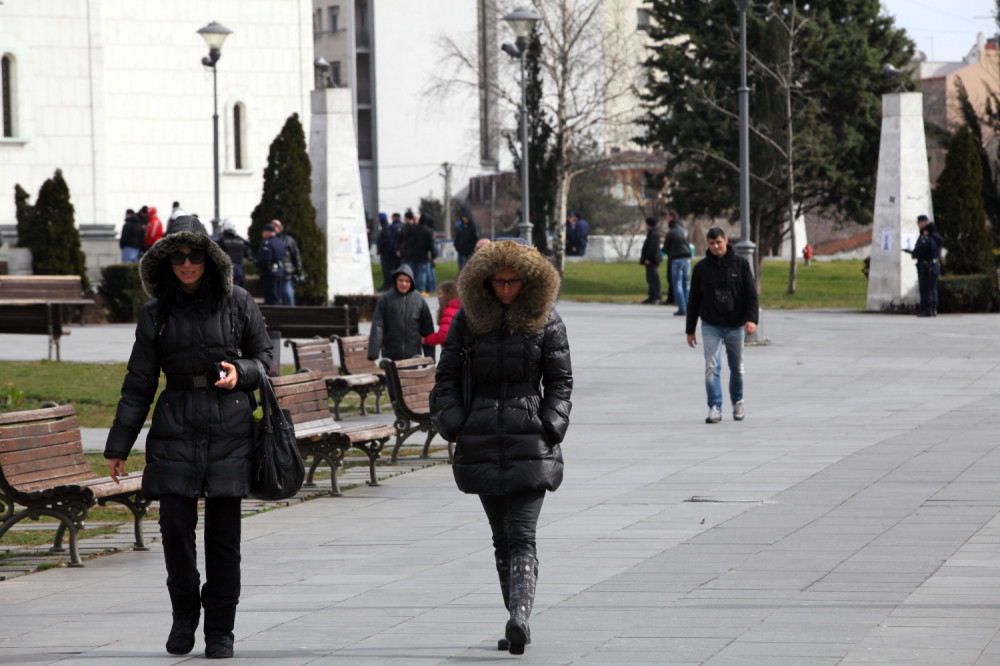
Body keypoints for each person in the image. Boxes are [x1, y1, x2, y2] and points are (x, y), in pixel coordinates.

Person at [103, 215, 272, 659]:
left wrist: (242, 373)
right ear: (166, 261)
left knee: (223, 539)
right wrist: (118, 446)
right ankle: (184, 615)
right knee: (175, 528)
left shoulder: (238, 302)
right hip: (175, 426)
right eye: (177, 257)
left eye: (195, 255)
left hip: (229, 426)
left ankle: (220, 629)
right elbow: (139, 381)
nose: (187, 264)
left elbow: (264, 358)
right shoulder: (155, 312)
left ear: (209, 257)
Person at [430, 240, 572, 656]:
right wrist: (454, 423)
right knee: (501, 537)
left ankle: (519, 618)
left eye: (514, 281)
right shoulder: (469, 319)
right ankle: (515, 617)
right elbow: (446, 375)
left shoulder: (546, 318)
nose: (506, 289)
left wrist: (553, 423)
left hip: (530, 435)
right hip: (481, 435)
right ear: (485, 281)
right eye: (499, 281)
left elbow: (560, 379)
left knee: (522, 534)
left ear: (528, 281)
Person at [685, 227, 758, 424]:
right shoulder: (701, 269)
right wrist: (690, 330)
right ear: (707, 244)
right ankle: (715, 406)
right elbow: (693, 300)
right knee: (711, 366)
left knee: (737, 367)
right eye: (712, 243)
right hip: (711, 325)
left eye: (718, 242)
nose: (716, 247)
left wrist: (751, 319)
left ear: (725, 241)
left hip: (735, 324)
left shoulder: (741, 265)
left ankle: (737, 401)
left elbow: (751, 294)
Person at [367, 264, 435, 362]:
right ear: (395, 281)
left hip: (413, 356)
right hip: (391, 356)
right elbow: (378, 326)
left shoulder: (419, 300)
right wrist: (373, 352)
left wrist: (430, 356)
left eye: (407, 281)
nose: (404, 284)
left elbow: (427, 329)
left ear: (412, 282)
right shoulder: (386, 299)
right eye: (401, 280)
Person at [904, 214, 943, 317]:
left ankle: (928, 309)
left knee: (926, 288)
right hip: (933, 266)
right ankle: (931, 308)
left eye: (919, 223)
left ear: (924, 223)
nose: (918, 225)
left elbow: (922, 249)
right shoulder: (935, 237)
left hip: (927, 266)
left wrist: (914, 254)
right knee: (931, 288)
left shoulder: (927, 238)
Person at [396, 210, 435, 294]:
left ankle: (412, 288)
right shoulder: (428, 231)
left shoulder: (413, 229)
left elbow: (407, 240)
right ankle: (421, 289)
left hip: (411, 254)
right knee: (422, 274)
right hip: (422, 255)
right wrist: (433, 257)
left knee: (413, 272)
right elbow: (431, 246)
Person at [663, 212, 691, 315]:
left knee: (678, 284)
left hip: (676, 258)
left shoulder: (671, 232)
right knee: (686, 284)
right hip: (687, 258)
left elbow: (666, 248)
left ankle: (682, 308)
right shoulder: (686, 231)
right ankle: (689, 307)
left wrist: (667, 251)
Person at [271, 220, 301, 306]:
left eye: (275, 226)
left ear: (279, 228)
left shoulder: (288, 240)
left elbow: (295, 255)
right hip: (273, 273)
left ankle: (291, 313)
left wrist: (298, 269)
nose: (272, 227)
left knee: (287, 295)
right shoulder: (268, 240)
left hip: (286, 273)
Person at [423, 281, 460, 347]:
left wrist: (425, 340)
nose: (439, 297)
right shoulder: (459, 309)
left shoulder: (449, 311)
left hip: (452, 349)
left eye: (440, 293)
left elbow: (443, 335)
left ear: (448, 295)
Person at [216, 219, 252, 288]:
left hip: (225, 271)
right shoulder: (242, 240)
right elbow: (248, 254)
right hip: (239, 270)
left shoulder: (221, 241)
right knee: (238, 291)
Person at [256, 224, 285, 305]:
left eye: (264, 232)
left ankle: (272, 313)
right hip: (279, 272)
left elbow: (265, 260)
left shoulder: (268, 243)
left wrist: (257, 263)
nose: (263, 234)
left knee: (270, 299)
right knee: (277, 298)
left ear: (268, 232)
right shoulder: (279, 242)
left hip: (270, 274)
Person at [638, 216, 662, 304]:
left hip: (652, 260)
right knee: (650, 279)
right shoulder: (651, 233)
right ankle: (651, 296)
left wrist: (649, 258)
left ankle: (657, 297)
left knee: (654, 279)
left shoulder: (654, 234)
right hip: (650, 260)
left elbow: (652, 248)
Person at [375, 212, 395, 290]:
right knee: (386, 270)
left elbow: (388, 241)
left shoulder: (386, 228)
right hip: (384, 252)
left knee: (387, 270)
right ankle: (387, 284)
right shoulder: (384, 228)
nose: (377, 220)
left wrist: (383, 248)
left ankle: (389, 285)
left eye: (378, 218)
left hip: (387, 253)